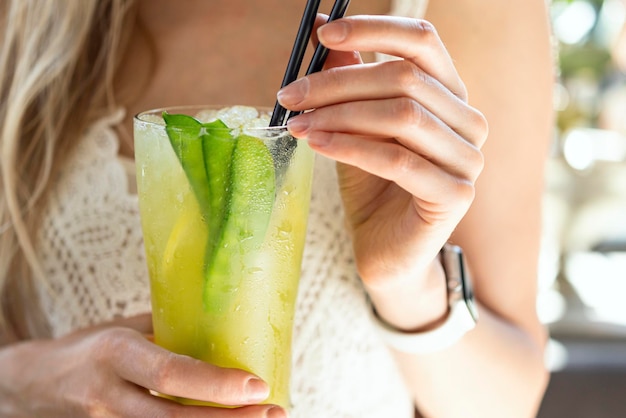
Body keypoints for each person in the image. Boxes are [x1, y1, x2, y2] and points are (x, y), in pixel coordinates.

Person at [0, 0, 555, 417]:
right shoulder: (30, 18)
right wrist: (27, 380)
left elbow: (506, 404)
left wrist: (406, 285)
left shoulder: (471, 11)